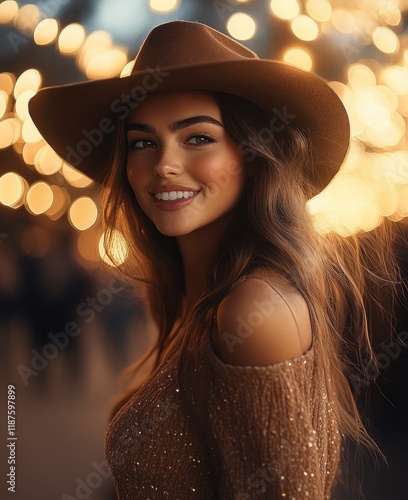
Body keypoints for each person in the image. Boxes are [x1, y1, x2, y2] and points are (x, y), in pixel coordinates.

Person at [29, 20, 403, 499]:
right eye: (143, 142)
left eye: (198, 137)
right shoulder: (195, 296)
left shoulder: (254, 309)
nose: (163, 163)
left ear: (252, 155)